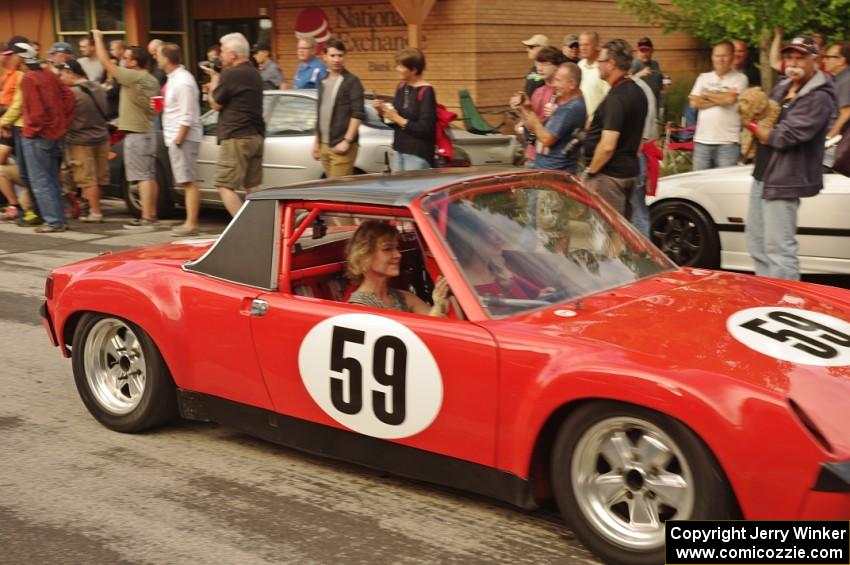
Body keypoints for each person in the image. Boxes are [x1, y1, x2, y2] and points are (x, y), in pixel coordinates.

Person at [747, 36, 835, 281]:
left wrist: (749, 124)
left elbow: (784, 137)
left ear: (814, 60)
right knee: (757, 245)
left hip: (784, 181)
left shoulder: (819, 97)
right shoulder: (783, 86)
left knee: (779, 250)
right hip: (763, 175)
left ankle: (786, 301)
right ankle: (767, 297)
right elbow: (767, 117)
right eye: (790, 57)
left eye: (800, 57)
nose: (793, 62)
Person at [93, 30, 162, 229]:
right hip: (149, 131)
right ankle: (152, 213)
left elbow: (106, 63)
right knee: (149, 175)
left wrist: (98, 39)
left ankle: (147, 217)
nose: (123, 60)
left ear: (134, 62)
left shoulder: (131, 77)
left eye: (127, 58)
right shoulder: (152, 80)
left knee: (141, 177)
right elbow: (157, 108)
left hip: (136, 134)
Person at [14, 42, 75, 233]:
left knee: (41, 180)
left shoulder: (29, 78)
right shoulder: (48, 74)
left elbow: (36, 113)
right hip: (54, 134)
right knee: (51, 179)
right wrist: (61, 122)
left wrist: (31, 131)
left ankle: (54, 221)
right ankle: (58, 218)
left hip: (37, 135)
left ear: (21, 58)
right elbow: (69, 97)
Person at [582, 39, 648, 216]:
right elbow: (640, 136)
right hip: (630, 171)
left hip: (610, 178)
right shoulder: (638, 91)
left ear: (611, 64)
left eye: (601, 61)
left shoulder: (616, 98)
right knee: (621, 233)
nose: (597, 65)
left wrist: (590, 173)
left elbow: (608, 145)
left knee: (606, 235)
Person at [204, 32, 265, 216]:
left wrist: (215, 77)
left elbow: (215, 103)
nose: (219, 56)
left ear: (233, 54)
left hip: (236, 135)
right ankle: (263, 225)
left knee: (224, 185)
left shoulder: (231, 74)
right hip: (255, 135)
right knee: (253, 187)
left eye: (222, 51)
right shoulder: (254, 73)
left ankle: (243, 226)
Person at [346, 220, 449, 317]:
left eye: (397, 248)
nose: (398, 255)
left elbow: (435, 327)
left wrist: (440, 304)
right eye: (387, 249)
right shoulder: (358, 309)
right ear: (364, 256)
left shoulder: (403, 297)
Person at [156, 43, 203, 236]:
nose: (156, 58)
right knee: (185, 180)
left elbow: (187, 114)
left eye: (159, 55)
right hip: (175, 136)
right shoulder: (175, 79)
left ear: (167, 59)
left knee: (188, 180)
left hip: (181, 137)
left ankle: (191, 223)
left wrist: (178, 139)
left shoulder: (183, 81)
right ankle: (190, 221)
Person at [57, 59, 110, 223]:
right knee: (99, 177)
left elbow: (64, 117)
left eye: (62, 75)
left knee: (87, 178)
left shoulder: (72, 93)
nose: (61, 78)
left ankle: (95, 212)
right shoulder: (98, 87)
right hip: (101, 136)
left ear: (70, 73)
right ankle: (93, 206)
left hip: (80, 140)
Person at [511, 62, 586, 173]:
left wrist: (531, 114)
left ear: (572, 84)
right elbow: (537, 131)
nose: (554, 85)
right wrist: (524, 109)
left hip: (554, 172)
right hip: (547, 168)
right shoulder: (567, 105)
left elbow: (546, 139)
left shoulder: (570, 108)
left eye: (558, 80)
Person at [688, 41, 748, 170]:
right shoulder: (703, 78)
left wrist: (706, 94)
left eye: (724, 56)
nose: (720, 59)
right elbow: (694, 102)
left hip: (728, 143)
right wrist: (721, 97)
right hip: (702, 142)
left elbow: (730, 99)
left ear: (732, 57)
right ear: (712, 57)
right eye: (717, 56)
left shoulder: (740, 78)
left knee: (724, 186)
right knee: (699, 185)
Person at [374, 47, 436, 171]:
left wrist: (396, 117)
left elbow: (425, 129)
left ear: (413, 70)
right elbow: (395, 123)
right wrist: (382, 112)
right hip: (399, 149)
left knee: (413, 189)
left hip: (417, 153)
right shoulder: (401, 87)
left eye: (401, 67)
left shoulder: (426, 91)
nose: (397, 69)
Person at [312, 39, 364, 178]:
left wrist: (347, 141)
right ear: (325, 57)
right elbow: (320, 114)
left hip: (341, 146)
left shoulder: (352, 81)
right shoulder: (322, 82)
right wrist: (317, 143)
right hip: (324, 146)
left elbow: (358, 113)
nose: (337, 59)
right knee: (330, 189)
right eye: (333, 55)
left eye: (340, 55)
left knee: (338, 190)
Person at [578, 31, 610, 118]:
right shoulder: (579, 65)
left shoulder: (603, 68)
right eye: (581, 45)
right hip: (579, 121)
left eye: (587, 45)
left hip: (596, 123)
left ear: (596, 46)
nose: (583, 48)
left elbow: (607, 99)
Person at [824, 42, 850, 140]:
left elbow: (846, 112)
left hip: (837, 140)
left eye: (828, 57)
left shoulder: (845, 80)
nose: (824, 60)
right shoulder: (839, 78)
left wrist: (829, 137)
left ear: (841, 60)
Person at [631, 37, 662, 107]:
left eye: (647, 50)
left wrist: (664, 81)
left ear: (652, 51)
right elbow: (625, 82)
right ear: (637, 51)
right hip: (640, 106)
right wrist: (638, 75)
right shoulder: (635, 64)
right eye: (642, 50)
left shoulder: (655, 64)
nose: (644, 53)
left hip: (654, 104)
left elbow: (658, 83)